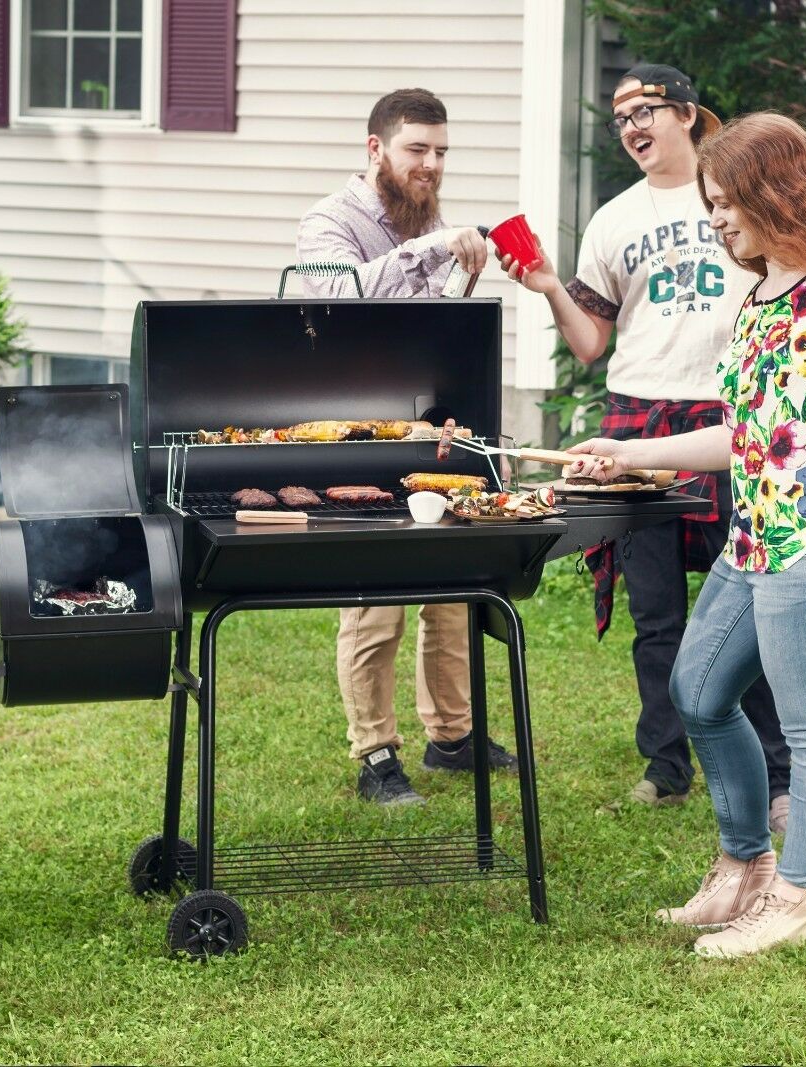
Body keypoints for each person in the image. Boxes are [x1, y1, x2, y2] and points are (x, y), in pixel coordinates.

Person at [567, 112, 806, 957]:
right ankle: (745, 868)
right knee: (698, 691)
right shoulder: (758, 293)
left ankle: (798, 902)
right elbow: (740, 434)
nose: (719, 220)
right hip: (752, 538)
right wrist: (630, 452)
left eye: (731, 202)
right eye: (713, 204)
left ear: (781, 192)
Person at [501, 64, 791, 821]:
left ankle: (780, 771)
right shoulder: (613, 219)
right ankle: (666, 765)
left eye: (647, 110)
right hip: (639, 421)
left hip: (732, 418)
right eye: (621, 115)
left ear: (688, 114)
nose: (632, 125)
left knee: (753, 599)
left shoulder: (737, 194)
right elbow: (592, 340)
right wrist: (548, 286)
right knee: (657, 613)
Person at [295, 87, 517, 806]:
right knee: (377, 595)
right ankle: (376, 753)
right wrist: (430, 251)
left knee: (449, 589)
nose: (432, 165)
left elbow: (430, 332)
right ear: (376, 150)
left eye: (442, 152)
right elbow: (345, 297)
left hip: (427, 425)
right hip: (352, 428)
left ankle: (451, 736)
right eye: (417, 150)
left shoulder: (432, 220)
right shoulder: (328, 222)